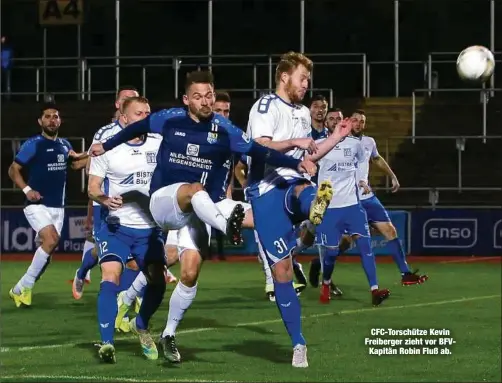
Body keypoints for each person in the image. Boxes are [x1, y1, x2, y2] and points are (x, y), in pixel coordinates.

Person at [89, 70, 318, 364]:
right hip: (165, 202)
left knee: (190, 271)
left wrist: (296, 162)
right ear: (186, 99)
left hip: (201, 208)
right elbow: (137, 127)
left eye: (209, 94)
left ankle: (168, 334)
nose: (205, 101)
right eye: (197, 96)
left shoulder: (225, 129)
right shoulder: (169, 118)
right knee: (194, 190)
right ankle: (227, 226)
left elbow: (259, 152)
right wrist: (105, 146)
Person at [245, 51, 353, 367]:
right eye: (302, 78)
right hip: (264, 192)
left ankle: (314, 208)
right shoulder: (265, 106)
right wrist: (296, 143)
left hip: (290, 184)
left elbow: (311, 153)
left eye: (308, 79)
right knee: (282, 273)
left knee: (304, 189)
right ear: (284, 76)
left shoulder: (303, 113)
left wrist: (336, 136)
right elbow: (259, 148)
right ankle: (298, 345)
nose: (306, 85)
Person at [88, 96, 166, 363]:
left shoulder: (160, 143)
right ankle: (107, 343)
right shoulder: (107, 148)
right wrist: (103, 199)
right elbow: (93, 188)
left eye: (148, 113)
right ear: (123, 118)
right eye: (138, 114)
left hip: (150, 228)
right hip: (117, 227)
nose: (145, 118)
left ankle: (141, 325)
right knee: (110, 277)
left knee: (158, 281)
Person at [8, 104, 87, 307]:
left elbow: (76, 163)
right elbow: (13, 169)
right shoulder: (34, 143)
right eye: (48, 117)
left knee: (47, 254)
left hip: (58, 207)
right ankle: (23, 287)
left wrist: (99, 153)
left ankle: (19, 290)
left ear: (60, 121)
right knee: (51, 239)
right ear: (40, 121)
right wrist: (27, 190)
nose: (52, 120)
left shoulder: (64, 144)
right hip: (36, 204)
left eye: (56, 117)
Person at [311, 114, 390, 306]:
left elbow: (362, 165)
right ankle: (326, 283)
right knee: (330, 253)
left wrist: (363, 180)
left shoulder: (355, 145)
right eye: (332, 119)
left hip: (353, 206)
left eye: (340, 119)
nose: (337, 122)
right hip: (329, 207)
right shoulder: (318, 144)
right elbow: (306, 164)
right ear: (327, 124)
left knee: (366, 248)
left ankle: (374, 290)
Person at [72, 85, 140, 300]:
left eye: (135, 100)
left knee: (134, 258)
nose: (131, 103)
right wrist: (97, 198)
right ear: (118, 105)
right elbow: (92, 167)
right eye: (126, 100)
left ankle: (125, 301)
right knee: (108, 253)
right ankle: (84, 273)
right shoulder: (105, 133)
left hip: (138, 205)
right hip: (110, 203)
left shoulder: (146, 132)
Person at [1, 35, 13, 100]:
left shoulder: (9, 48)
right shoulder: (2, 48)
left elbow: (10, 57)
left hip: (7, 68)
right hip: (2, 67)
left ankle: (8, 97)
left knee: (8, 83)